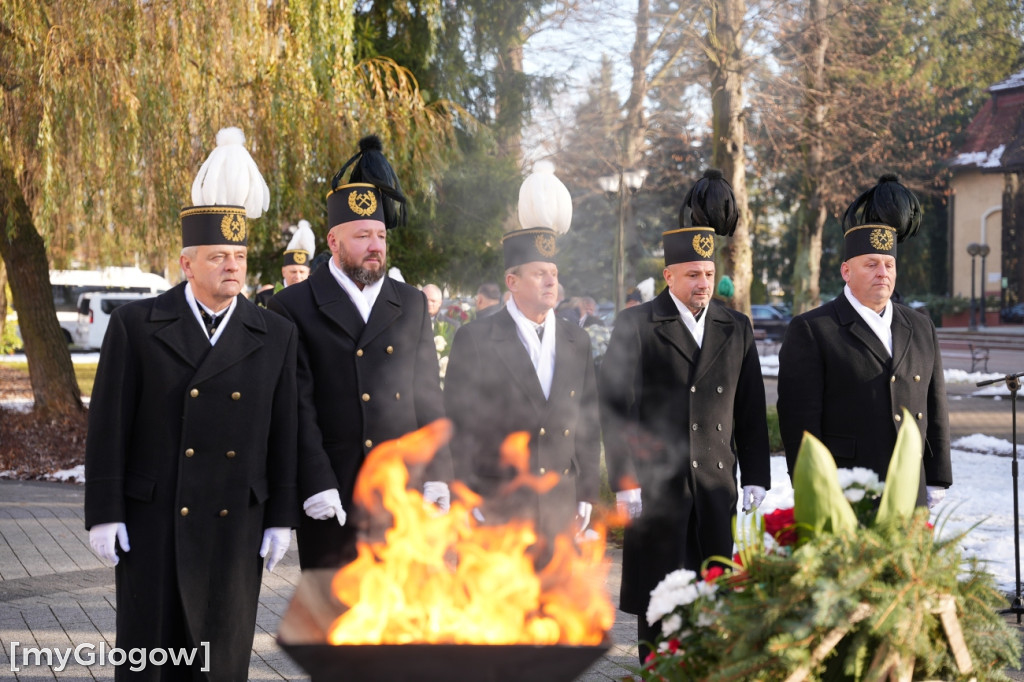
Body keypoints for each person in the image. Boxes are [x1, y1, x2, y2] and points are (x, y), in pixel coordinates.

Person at [84, 127, 298, 680]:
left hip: (235, 525)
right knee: (151, 657)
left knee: (220, 661)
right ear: (186, 263)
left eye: (240, 255)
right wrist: (104, 512)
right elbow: (108, 426)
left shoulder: (273, 333)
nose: (233, 266)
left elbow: (284, 431)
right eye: (219, 256)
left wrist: (280, 518)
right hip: (154, 519)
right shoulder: (136, 325)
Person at [598, 169, 771, 662]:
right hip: (657, 488)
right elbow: (615, 409)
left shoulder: (735, 327)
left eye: (709, 275)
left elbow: (750, 408)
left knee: (712, 599)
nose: (702, 284)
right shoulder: (637, 325)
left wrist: (756, 475)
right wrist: (625, 481)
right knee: (660, 602)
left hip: (715, 483)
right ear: (669, 275)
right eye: (692, 275)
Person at [268, 135, 452, 569]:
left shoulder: (409, 303)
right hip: (333, 494)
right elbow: (298, 405)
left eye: (381, 235)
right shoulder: (292, 306)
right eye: (363, 235)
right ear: (333, 241)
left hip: (402, 493)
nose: (375, 246)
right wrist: (315, 481)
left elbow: (428, 394)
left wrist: (439, 470)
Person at [444, 162, 600, 546]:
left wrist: (586, 493)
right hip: (498, 507)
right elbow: (458, 427)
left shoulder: (575, 340)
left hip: (561, 507)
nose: (551, 281)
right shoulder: (476, 338)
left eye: (554, 272)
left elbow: (586, 423)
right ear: (512, 282)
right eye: (539, 273)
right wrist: (466, 497)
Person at [777, 174, 952, 508]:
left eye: (888, 264)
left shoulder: (920, 326)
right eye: (871, 264)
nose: (882, 272)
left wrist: (938, 476)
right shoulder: (813, 329)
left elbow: (935, 406)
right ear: (846, 271)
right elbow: (799, 420)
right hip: (846, 488)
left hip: (910, 485)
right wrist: (810, 485)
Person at [256, 220, 315, 307]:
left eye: (302, 272)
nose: (298, 277)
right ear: (283, 271)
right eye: (293, 272)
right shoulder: (265, 298)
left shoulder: (315, 298)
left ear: (308, 272)